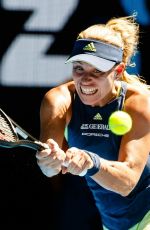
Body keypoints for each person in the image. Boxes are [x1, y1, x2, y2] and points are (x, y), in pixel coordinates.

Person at [36, 14, 150, 230]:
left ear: (118, 71)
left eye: (97, 70)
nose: (85, 78)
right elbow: (49, 168)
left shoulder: (140, 101)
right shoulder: (58, 100)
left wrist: (90, 162)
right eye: (79, 67)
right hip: (112, 221)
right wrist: (49, 161)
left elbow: (127, 182)